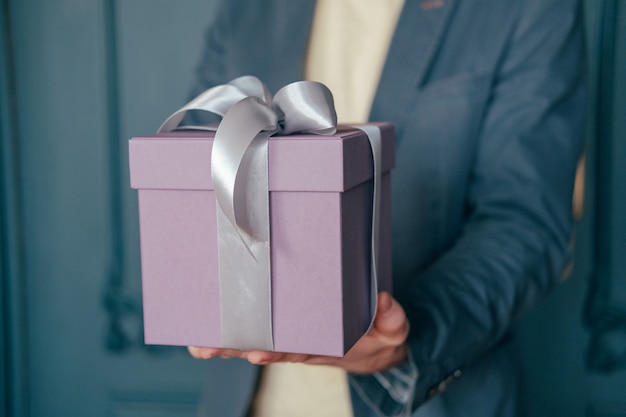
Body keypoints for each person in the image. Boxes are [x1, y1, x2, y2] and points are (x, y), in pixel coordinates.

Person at [185, 0, 587, 416]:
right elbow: (199, 163)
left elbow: (525, 222)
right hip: (251, 401)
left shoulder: (526, 9)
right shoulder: (249, 8)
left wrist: (410, 337)